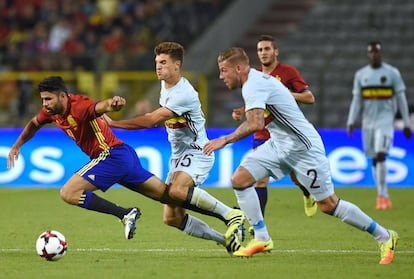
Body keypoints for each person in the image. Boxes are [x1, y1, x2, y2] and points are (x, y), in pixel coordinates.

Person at [203, 47, 398, 264]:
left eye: (224, 70)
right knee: (240, 179)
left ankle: (385, 236)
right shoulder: (255, 82)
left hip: (304, 149)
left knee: (328, 205)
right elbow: (270, 109)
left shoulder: (254, 85)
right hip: (279, 145)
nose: (221, 76)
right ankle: (262, 238)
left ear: (238, 68)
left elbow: (256, 123)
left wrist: (225, 139)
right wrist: (245, 110)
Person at [7, 76, 242, 254]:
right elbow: (33, 124)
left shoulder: (78, 106)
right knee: (170, 199)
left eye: (48, 99)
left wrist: (112, 104)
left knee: (68, 192)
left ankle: (124, 214)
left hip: (110, 156)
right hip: (123, 156)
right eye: (43, 100)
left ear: (63, 95)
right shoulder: (52, 111)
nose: (45, 104)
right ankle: (227, 228)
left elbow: (100, 107)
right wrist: (17, 145)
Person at [103, 42, 245, 254]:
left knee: (178, 191)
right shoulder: (165, 85)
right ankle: (225, 241)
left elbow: (151, 120)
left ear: (177, 65)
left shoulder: (184, 93)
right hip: (178, 157)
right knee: (171, 218)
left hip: (198, 151)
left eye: (163, 63)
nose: (158, 67)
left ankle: (231, 215)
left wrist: (114, 124)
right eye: (157, 62)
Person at [232, 34, 317, 219]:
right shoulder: (254, 76)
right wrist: (242, 110)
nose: (263, 53)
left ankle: (307, 192)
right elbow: (257, 102)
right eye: (260, 50)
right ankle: (258, 228)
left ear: (275, 51)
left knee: (296, 177)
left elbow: (310, 98)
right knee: (260, 181)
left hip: (287, 136)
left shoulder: (288, 72)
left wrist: (286, 94)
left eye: (267, 49)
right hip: (262, 134)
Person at [347, 41, 412, 210]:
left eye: (377, 52)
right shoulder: (361, 75)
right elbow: (357, 100)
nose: (374, 55)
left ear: (381, 53)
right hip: (367, 123)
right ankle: (381, 193)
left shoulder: (391, 73)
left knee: (381, 154)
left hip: (385, 121)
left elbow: (401, 99)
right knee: (375, 158)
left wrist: (406, 122)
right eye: (371, 52)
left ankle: (383, 195)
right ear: (369, 54)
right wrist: (351, 121)